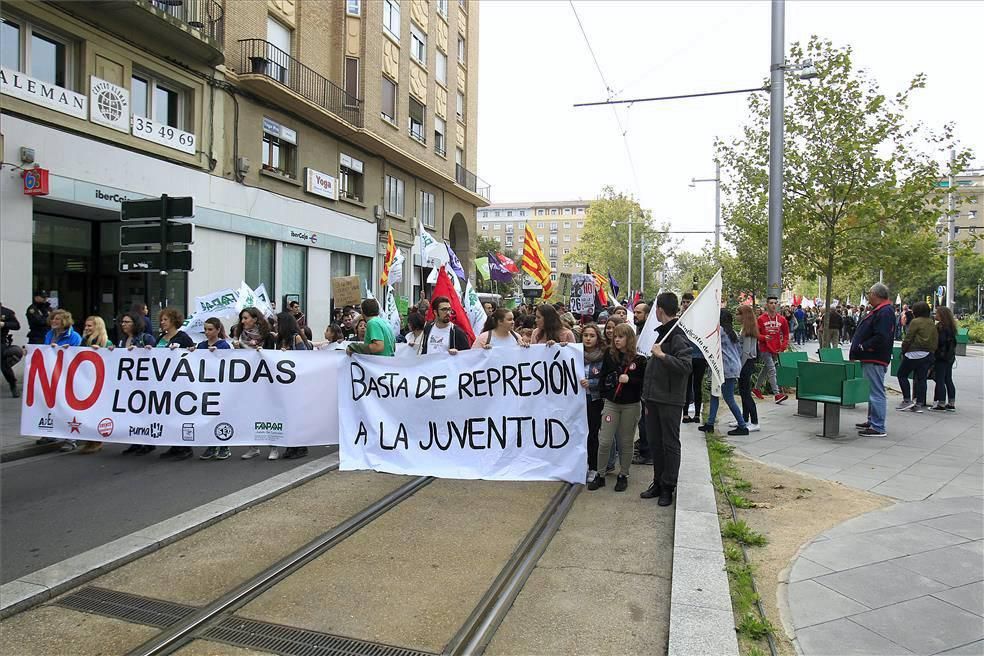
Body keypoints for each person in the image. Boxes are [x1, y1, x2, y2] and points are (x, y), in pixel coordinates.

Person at [640, 292, 693, 506]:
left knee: (669, 444)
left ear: (659, 310)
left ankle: (668, 487)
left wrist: (662, 355)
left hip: (670, 400)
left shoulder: (677, 334)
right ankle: (658, 482)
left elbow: (686, 365)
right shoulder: (662, 332)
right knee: (655, 442)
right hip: (653, 399)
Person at [588, 323, 646, 492]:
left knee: (626, 442)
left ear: (629, 339)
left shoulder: (639, 359)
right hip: (612, 405)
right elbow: (603, 376)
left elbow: (644, 383)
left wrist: (631, 381)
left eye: (621, 337)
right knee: (605, 440)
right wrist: (607, 392)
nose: (617, 340)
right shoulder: (610, 354)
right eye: (615, 337)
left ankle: (623, 474)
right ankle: (600, 475)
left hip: (631, 406)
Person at [849, 283, 895, 438]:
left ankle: (878, 426)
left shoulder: (884, 312)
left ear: (876, 294)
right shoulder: (881, 310)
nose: (868, 296)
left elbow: (881, 335)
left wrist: (863, 347)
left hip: (874, 357)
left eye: (869, 293)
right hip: (871, 356)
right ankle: (873, 420)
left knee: (876, 391)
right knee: (872, 390)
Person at [233, 308, 280, 460]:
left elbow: (274, 357)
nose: (243, 321)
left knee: (268, 413)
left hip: (265, 380)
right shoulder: (240, 337)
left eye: (245, 318)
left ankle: (274, 446)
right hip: (247, 380)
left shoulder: (268, 337)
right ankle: (253, 447)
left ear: (255, 319)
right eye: (242, 318)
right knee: (250, 412)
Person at [154, 308, 196, 461]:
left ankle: (185, 448)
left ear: (173, 321)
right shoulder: (161, 338)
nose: (162, 322)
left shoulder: (183, 337)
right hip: (163, 382)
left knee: (179, 414)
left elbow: (193, 356)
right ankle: (174, 445)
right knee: (168, 414)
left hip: (179, 383)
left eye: (165, 319)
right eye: (161, 320)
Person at [699, 310, 749, 436]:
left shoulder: (720, 331)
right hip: (730, 367)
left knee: (728, 398)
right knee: (714, 394)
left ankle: (742, 426)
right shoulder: (732, 332)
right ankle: (710, 424)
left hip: (724, 368)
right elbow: (738, 350)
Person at [896, 301, 937, 413]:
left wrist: (903, 350)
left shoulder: (915, 321)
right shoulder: (931, 322)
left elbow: (909, 337)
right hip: (927, 353)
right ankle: (919, 403)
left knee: (902, 374)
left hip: (913, 352)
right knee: (921, 378)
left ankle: (907, 400)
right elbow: (935, 338)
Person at [578, 323, 606, 483]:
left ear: (597, 338)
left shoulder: (604, 355)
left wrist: (592, 383)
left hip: (594, 400)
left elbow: (606, 379)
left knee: (593, 434)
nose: (588, 338)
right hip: (577, 402)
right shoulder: (574, 353)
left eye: (592, 335)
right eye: (585, 335)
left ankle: (593, 466)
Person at [752, 296, 789, 404]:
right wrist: (764, 338)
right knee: (772, 370)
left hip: (776, 349)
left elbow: (786, 334)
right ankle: (777, 394)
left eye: (775, 303)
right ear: (767, 305)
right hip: (764, 348)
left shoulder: (782, 319)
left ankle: (756, 388)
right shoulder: (761, 319)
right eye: (771, 303)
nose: (773, 305)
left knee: (766, 369)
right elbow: (756, 334)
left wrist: (783, 346)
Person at [734, 305, 761, 432]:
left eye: (738, 314)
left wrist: (739, 366)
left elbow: (746, 352)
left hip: (746, 363)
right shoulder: (745, 329)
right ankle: (744, 419)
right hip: (746, 363)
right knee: (743, 392)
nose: (736, 316)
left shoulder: (748, 331)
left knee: (746, 393)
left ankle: (754, 421)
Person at [931, 306, 957, 412]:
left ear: (942, 315)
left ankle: (941, 403)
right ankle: (951, 402)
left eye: (937, 313)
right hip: (949, 357)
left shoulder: (941, 327)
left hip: (941, 356)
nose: (935, 315)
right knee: (948, 379)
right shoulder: (951, 327)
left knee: (940, 379)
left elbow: (940, 342)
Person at [1, 303, 21, 397]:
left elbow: (16, 325)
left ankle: (13, 385)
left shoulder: (6, 312)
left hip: (1, 341)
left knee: (4, 365)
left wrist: (4, 324)